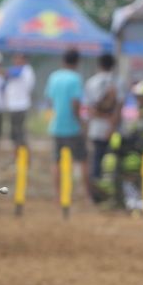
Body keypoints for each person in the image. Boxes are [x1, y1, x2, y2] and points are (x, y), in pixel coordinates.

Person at [95, 80, 143, 210]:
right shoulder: (141, 113)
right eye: (138, 98)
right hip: (139, 149)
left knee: (130, 163)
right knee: (113, 155)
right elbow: (133, 130)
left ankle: (132, 198)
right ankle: (113, 191)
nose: (140, 101)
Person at [45, 49, 87, 196]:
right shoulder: (75, 78)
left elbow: (50, 100)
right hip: (73, 127)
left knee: (56, 161)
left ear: (63, 60)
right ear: (77, 62)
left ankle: (57, 194)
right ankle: (87, 194)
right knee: (82, 159)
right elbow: (75, 104)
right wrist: (81, 123)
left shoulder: (54, 77)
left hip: (56, 126)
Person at [83, 52, 121, 197]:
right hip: (115, 130)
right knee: (114, 161)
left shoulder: (91, 82)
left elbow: (89, 109)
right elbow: (119, 108)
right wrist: (112, 127)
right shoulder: (118, 81)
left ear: (99, 65)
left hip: (96, 128)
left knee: (96, 161)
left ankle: (97, 194)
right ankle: (112, 193)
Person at [0, 51, 35, 155]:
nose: (16, 61)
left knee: (19, 133)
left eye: (18, 58)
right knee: (14, 134)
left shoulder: (25, 70)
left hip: (20, 106)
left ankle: (23, 156)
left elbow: (10, 73)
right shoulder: (17, 70)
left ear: (24, 60)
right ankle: (18, 156)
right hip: (13, 106)